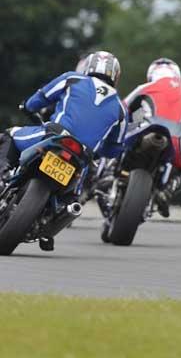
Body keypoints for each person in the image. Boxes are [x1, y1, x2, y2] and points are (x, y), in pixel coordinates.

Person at [0, 51, 128, 248]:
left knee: (10, 134)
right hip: (82, 156)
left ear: (88, 66)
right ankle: (49, 226)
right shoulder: (121, 108)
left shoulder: (72, 78)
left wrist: (27, 106)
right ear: (116, 76)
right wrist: (99, 152)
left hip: (54, 136)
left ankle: (2, 175)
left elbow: (41, 97)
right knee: (70, 200)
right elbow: (115, 148)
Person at [124, 58, 181, 217]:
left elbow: (123, 109)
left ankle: (105, 173)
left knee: (118, 135)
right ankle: (166, 193)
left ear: (152, 74)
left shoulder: (145, 88)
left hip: (144, 128)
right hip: (176, 139)